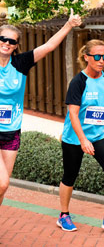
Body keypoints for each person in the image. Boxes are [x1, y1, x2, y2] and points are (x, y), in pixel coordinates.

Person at [0, 0, 82, 245]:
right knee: (1, 183)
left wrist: (68, 24)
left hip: (12, 133)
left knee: (2, 186)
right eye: (4, 39)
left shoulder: (21, 64)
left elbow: (48, 47)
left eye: (12, 42)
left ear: (15, 46)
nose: (7, 44)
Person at [57, 39, 104, 232]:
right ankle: (64, 215)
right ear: (86, 57)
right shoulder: (78, 82)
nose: (101, 60)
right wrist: (83, 139)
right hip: (75, 137)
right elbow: (73, 114)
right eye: (98, 56)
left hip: (99, 135)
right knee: (70, 176)